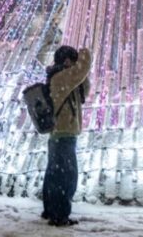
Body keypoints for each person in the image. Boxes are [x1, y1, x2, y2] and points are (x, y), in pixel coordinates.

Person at [41, 45, 92, 226]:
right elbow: (82, 69)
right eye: (73, 60)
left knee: (54, 174)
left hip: (60, 134)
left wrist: (82, 75)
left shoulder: (61, 78)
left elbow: (84, 88)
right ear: (68, 61)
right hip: (63, 134)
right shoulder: (61, 77)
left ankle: (50, 210)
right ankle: (60, 215)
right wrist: (85, 52)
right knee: (66, 177)